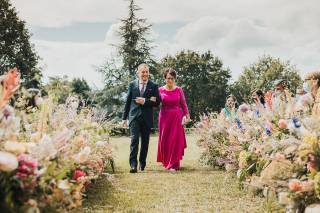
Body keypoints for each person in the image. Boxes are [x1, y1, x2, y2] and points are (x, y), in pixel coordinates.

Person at [122, 63, 160, 173]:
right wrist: (124, 118)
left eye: (147, 72)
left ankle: (142, 164)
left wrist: (145, 101)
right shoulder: (132, 84)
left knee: (145, 142)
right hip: (134, 117)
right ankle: (133, 165)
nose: (145, 74)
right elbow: (128, 101)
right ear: (138, 73)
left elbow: (157, 102)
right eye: (143, 72)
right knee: (134, 140)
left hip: (147, 118)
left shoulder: (153, 86)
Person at [157, 68, 190, 172]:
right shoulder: (160, 90)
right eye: (167, 78)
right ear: (165, 78)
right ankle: (167, 161)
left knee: (175, 140)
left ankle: (174, 164)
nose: (169, 80)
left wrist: (187, 115)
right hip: (164, 117)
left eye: (171, 78)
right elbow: (156, 104)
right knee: (165, 139)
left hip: (176, 118)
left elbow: (183, 104)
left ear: (174, 79)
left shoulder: (179, 89)